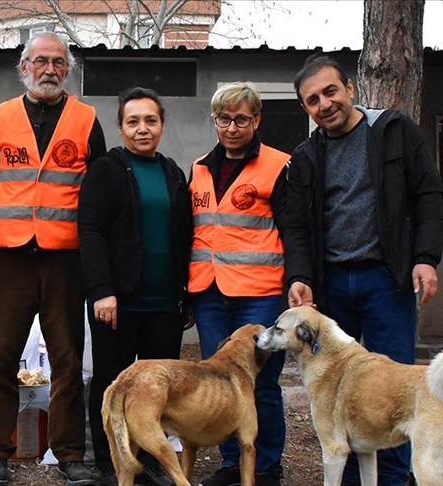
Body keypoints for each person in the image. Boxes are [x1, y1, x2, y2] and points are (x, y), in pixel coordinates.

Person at [282, 54, 443, 486]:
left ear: (350, 88)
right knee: (339, 397)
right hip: (331, 286)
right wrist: (300, 276)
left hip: (386, 280)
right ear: (305, 108)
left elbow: (429, 195)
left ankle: (392, 479)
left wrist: (426, 257)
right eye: (313, 100)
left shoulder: (395, 132)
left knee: (394, 390)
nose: (325, 104)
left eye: (330, 91)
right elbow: (296, 226)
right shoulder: (305, 157)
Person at [0, 32, 107, 486]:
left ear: (67, 70)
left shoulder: (87, 120)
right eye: (40, 61)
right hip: (12, 257)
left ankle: (68, 453)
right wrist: (19, 223)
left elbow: (96, 192)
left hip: (66, 259)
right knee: (2, 356)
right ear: (24, 67)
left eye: (57, 62)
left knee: (67, 359)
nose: (48, 69)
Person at [78, 87, 191, 486]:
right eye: (133, 121)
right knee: (114, 384)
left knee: (157, 389)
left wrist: (185, 293)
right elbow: (90, 233)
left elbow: (185, 235)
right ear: (121, 127)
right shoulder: (106, 171)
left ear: (161, 124)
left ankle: (149, 457)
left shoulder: (172, 171)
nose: (142, 129)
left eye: (150, 121)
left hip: (165, 303)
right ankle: (114, 462)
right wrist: (101, 290)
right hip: (118, 303)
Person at [188, 82, 290, 486]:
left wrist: (297, 283)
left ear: (257, 119)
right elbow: (193, 232)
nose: (232, 128)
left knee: (261, 383)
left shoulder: (279, 165)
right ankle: (232, 463)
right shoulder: (198, 167)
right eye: (224, 119)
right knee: (221, 381)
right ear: (215, 120)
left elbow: (292, 230)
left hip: (260, 294)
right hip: (209, 293)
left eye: (241, 119)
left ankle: (266, 467)